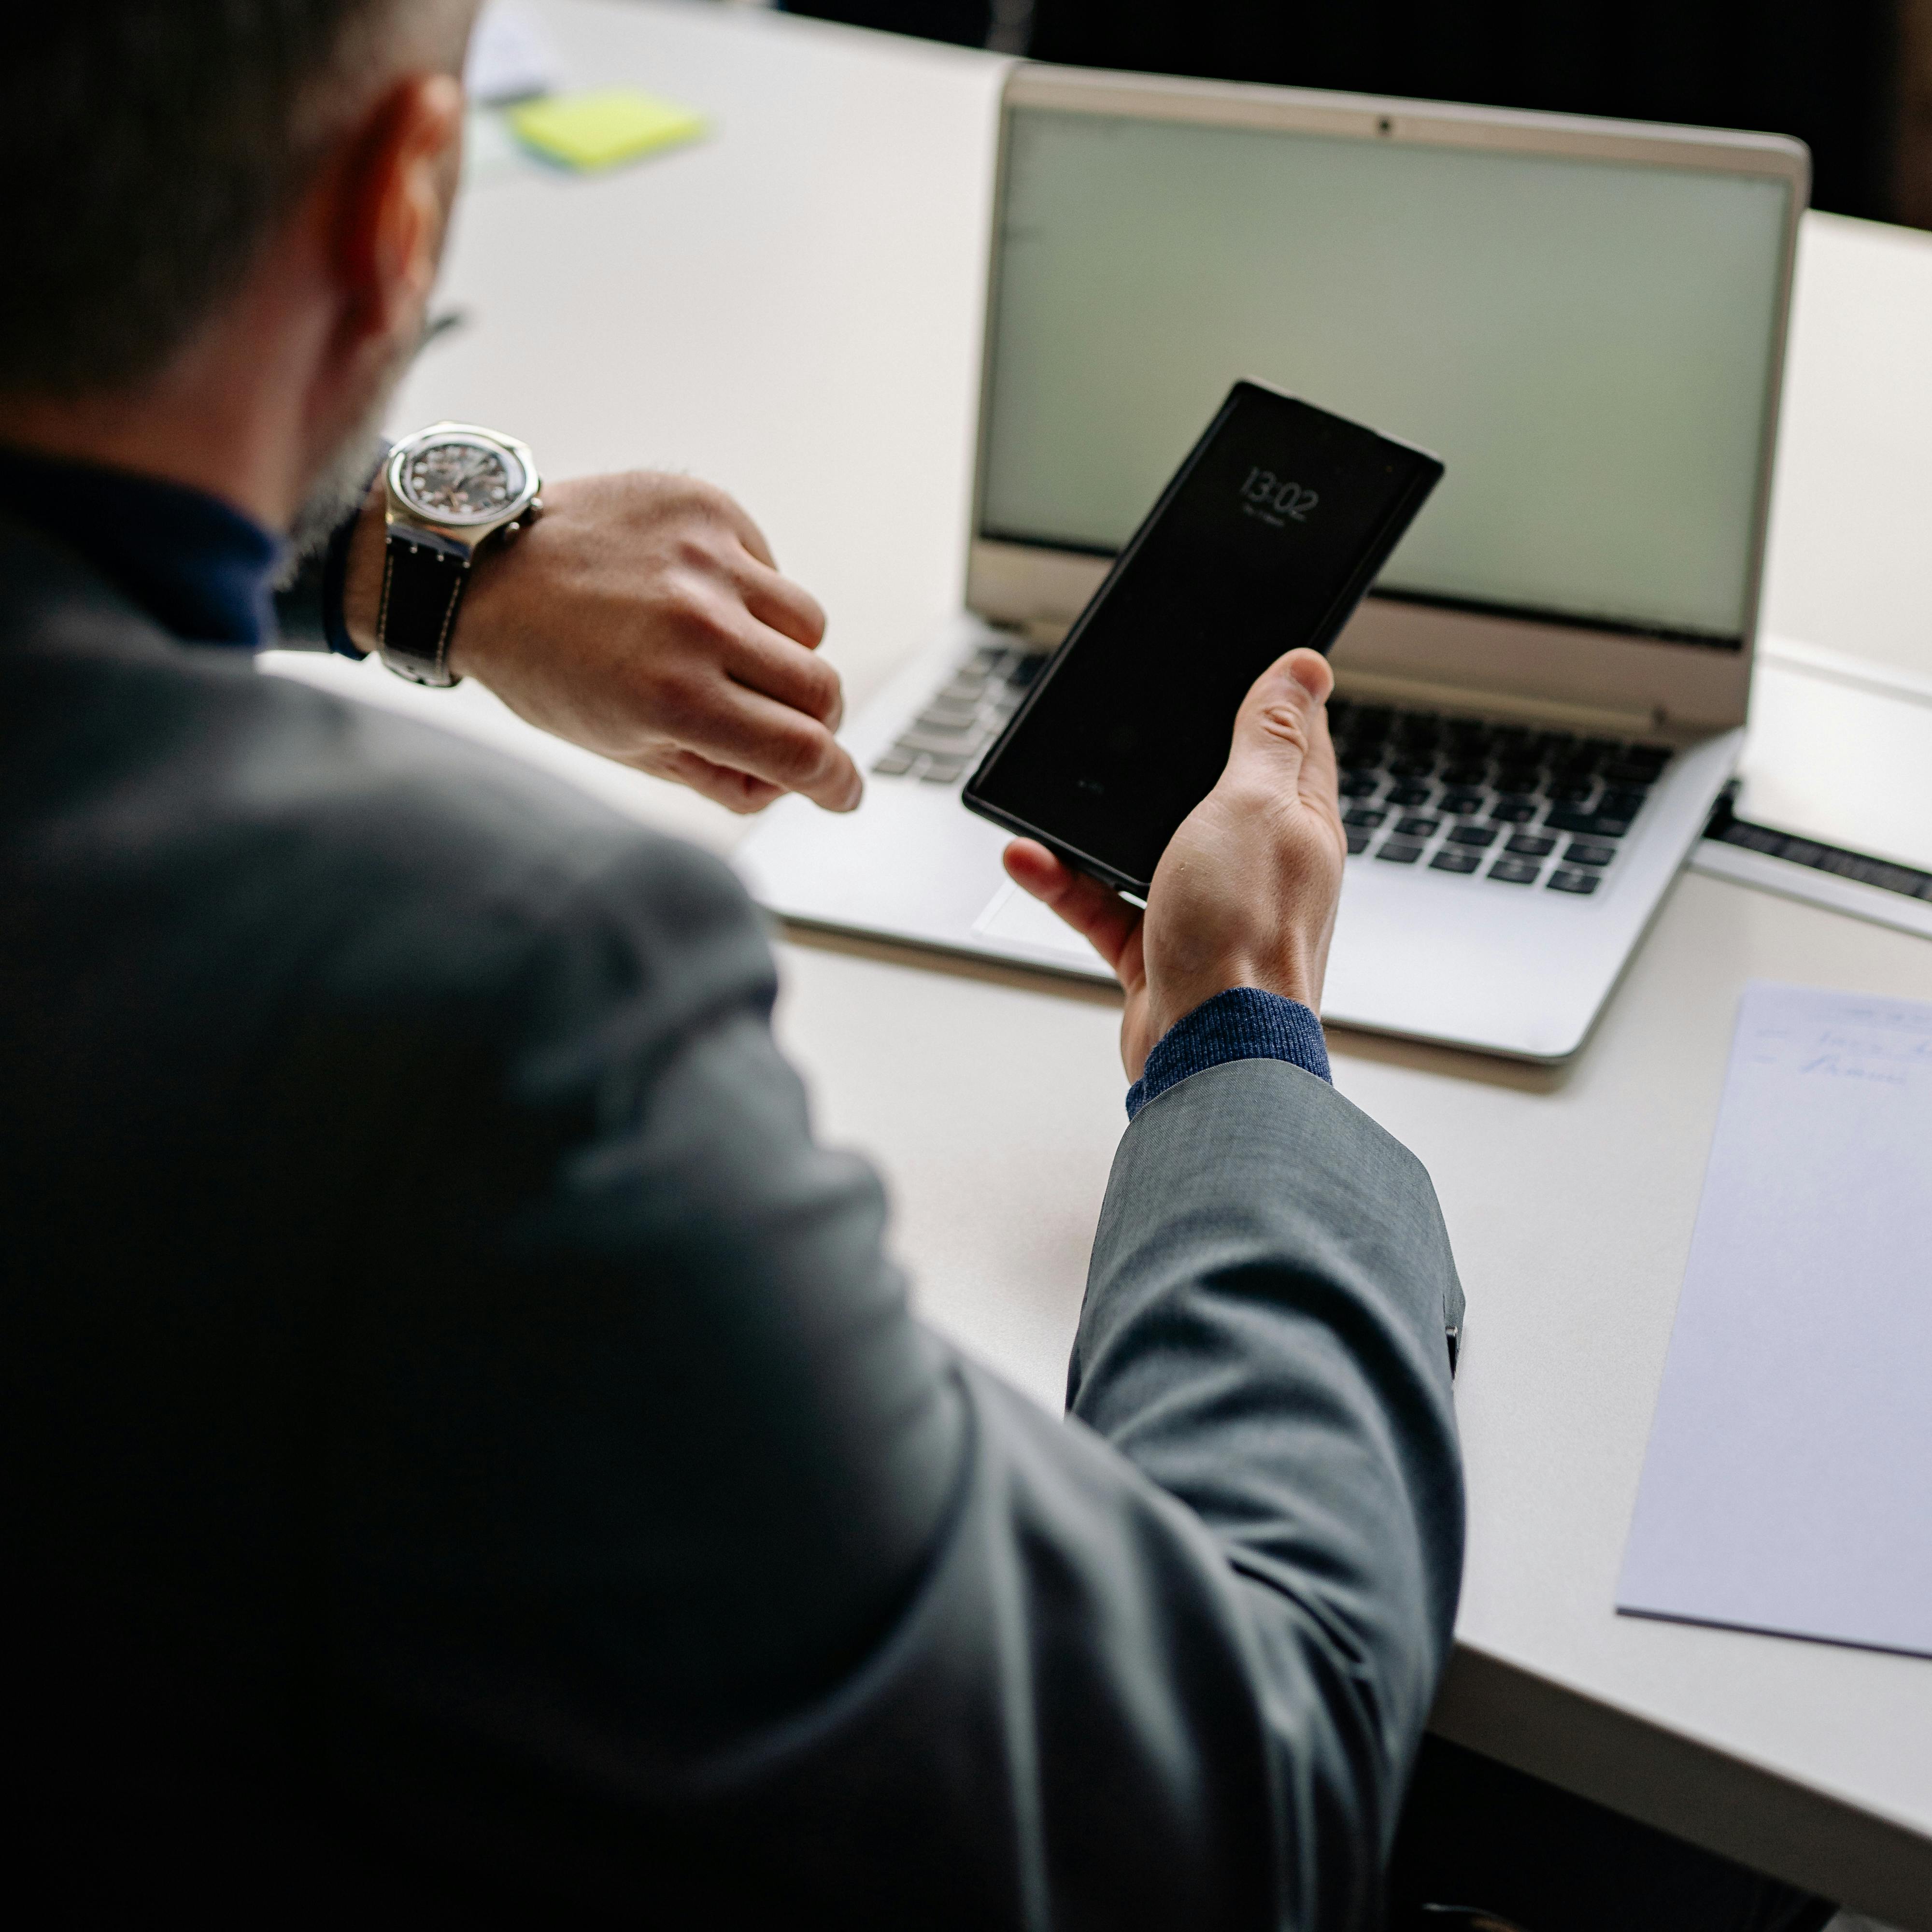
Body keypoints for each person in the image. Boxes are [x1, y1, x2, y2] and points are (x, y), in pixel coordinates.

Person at [0, 5, 1832, 1927]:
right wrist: (1236, 1056)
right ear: (399, 210)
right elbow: (1234, 1817)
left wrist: (410, 553)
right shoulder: (483, 1007)